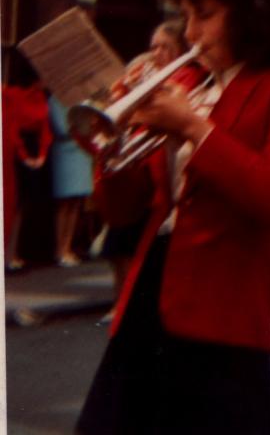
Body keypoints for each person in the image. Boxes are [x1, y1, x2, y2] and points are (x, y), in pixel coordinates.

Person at [77, 0, 270, 435]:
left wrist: (192, 127)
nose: (190, 33)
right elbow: (123, 211)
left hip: (224, 317)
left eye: (204, 16)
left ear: (249, 13)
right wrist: (109, 150)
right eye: (186, 16)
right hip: (151, 298)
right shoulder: (186, 85)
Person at [99, 19, 188, 323]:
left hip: (168, 203)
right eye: (154, 47)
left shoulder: (185, 86)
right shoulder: (143, 86)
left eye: (166, 47)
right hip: (143, 196)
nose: (158, 53)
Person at [2, 82, 52, 271]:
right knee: (13, 205)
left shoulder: (36, 96)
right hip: (17, 154)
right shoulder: (12, 95)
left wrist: (39, 154)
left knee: (21, 205)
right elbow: (12, 128)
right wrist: (26, 156)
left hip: (29, 153)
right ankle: (9, 254)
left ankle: (13, 253)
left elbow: (43, 127)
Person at [48, 94, 93, 265]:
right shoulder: (55, 100)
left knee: (76, 202)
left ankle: (67, 247)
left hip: (81, 151)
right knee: (64, 203)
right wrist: (80, 127)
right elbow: (61, 128)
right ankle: (60, 250)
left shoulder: (78, 100)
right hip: (65, 152)